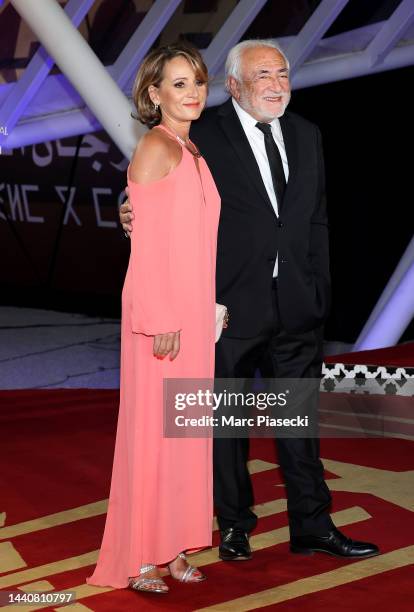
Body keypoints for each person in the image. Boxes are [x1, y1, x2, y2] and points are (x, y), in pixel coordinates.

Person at [120, 39, 379, 562]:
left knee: (298, 422)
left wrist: (320, 289)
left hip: (300, 308)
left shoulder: (308, 134)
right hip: (228, 309)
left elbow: (316, 219)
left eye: (283, 74)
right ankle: (235, 525)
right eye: (264, 75)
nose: (277, 85)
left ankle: (313, 524)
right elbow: (155, 196)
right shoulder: (202, 135)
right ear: (235, 85)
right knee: (226, 427)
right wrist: (127, 213)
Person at [87, 43, 220, 594]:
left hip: (191, 315)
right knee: (153, 437)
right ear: (153, 93)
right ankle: (141, 556)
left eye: (198, 83)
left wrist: (207, 305)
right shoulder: (155, 147)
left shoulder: (192, 152)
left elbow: (187, 240)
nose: (192, 94)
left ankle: (173, 548)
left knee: (185, 437)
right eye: (180, 84)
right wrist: (163, 314)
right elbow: (146, 250)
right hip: (160, 319)